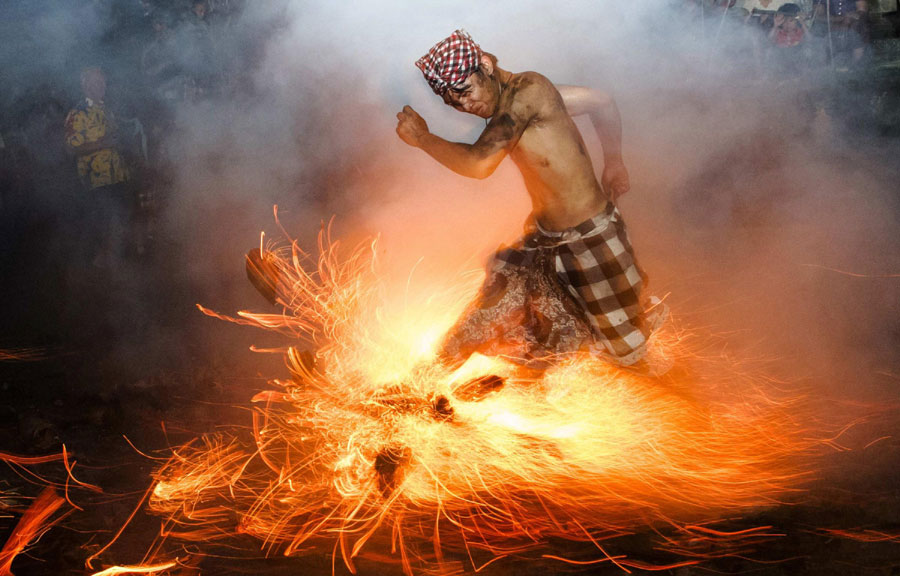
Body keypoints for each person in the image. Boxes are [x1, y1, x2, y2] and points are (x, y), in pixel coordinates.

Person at [396, 30, 665, 371]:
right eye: (453, 102)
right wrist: (613, 161)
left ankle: (684, 400)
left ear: (485, 65)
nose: (464, 106)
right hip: (544, 242)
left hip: (591, 242)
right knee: (493, 312)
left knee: (628, 356)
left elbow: (479, 165)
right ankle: (424, 379)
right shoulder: (532, 98)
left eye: (465, 91)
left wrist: (422, 138)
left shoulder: (528, 90)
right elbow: (601, 102)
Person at [64, 67, 132, 267]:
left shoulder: (106, 109)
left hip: (117, 176)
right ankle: (94, 270)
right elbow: (70, 148)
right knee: (102, 226)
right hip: (95, 180)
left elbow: (115, 140)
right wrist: (103, 144)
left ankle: (113, 266)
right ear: (85, 86)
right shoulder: (78, 113)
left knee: (118, 223)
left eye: (103, 82)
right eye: (95, 82)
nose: (101, 86)